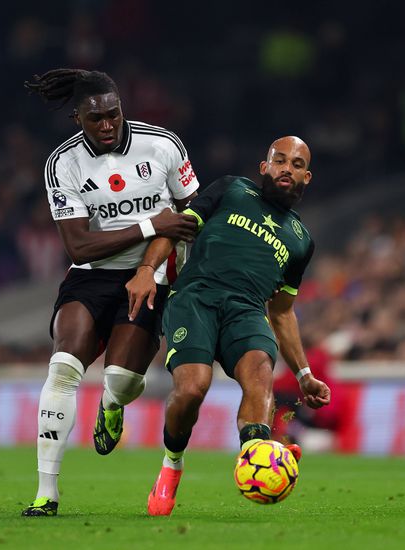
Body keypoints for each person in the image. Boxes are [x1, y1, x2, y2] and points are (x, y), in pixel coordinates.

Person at [21, 68, 200, 516]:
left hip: (152, 275)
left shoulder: (162, 145)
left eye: (113, 114)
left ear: (122, 108)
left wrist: (151, 264)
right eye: (95, 118)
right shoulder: (63, 163)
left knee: (120, 380)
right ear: (77, 118)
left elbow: (190, 218)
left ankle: (112, 404)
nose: (106, 125)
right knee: (63, 368)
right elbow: (79, 246)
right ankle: (46, 494)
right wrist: (148, 224)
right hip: (91, 275)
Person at [125, 136, 331, 516]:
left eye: (297, 164)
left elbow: (282, 312)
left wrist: (304, 375)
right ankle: (172, 465)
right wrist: (145, 270)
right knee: (192, 388)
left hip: (247, 311)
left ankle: (259, 455)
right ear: (264, 167)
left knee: (260, 372)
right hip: (196, 298)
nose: (287, 168)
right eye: (280, 160)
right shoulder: (232, 189)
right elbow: (176, 228)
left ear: (307, 177)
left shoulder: (301, 241)